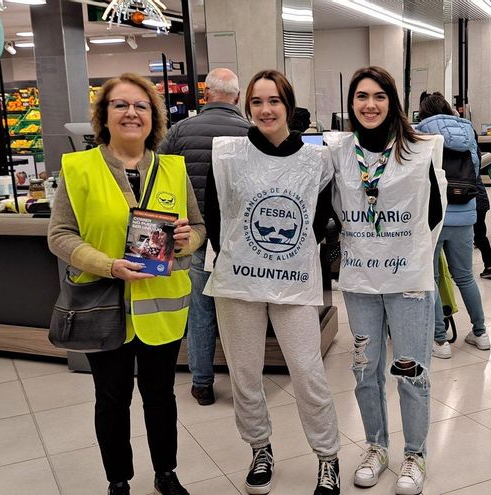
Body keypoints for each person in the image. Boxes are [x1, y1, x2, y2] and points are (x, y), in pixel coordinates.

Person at [48, 72, 205, 495]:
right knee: (112, 400)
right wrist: (108, 265)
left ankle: (166, 473)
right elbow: (60, 235)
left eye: (140, 105)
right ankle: (119, 479)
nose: (131, 113)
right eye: (120, 105)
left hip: (162, 308)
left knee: (160, 397)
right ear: (104, 115)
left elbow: (199, 227)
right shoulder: (78, 168)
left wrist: (192, 238)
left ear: (153, 116)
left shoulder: (172, 168)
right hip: (105, 305)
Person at [203, 69, 340, 495]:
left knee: (306, 370)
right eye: (257, 102)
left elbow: (319, 222)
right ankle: (259, 447)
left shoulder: (316, 160)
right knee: (245, 373)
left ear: (289, 106)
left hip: (293, 282)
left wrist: (286, 257)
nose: (265, 109)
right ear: (248, 106)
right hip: (238, 284)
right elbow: (215, 213)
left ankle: (328, 456)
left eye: (274, 101)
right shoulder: (228, 156)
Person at [325, 66, 445, 495]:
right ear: (351, 104)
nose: (369, 104)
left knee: (411, 372)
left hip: (407, 279)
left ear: (392, 101)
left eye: (379, 96)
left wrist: (403, 249)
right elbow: (326, 209)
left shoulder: (418, 149)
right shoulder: (338, 152)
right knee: (364, 371)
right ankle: (376, 446)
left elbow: (433, 213)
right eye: (361, 97)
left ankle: (415, 453)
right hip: (360, 282)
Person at [158, 67, 250, 406]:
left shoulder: (179, 131)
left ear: (206, 94)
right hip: (237, 238)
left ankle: (202, 382)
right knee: (241, 312)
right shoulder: (249, 132)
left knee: (200, 310)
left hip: (193, 235)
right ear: (237, 97)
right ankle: (244, 382)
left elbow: (157, 180)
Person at [415, 93, 490, 360]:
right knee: (466, 277)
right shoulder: (467, 129)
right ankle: (480, 333)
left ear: (422, 113)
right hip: (465, 213)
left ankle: (440, 340)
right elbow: (477, 164)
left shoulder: (420, 132)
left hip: (433, 216)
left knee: (431, 279)